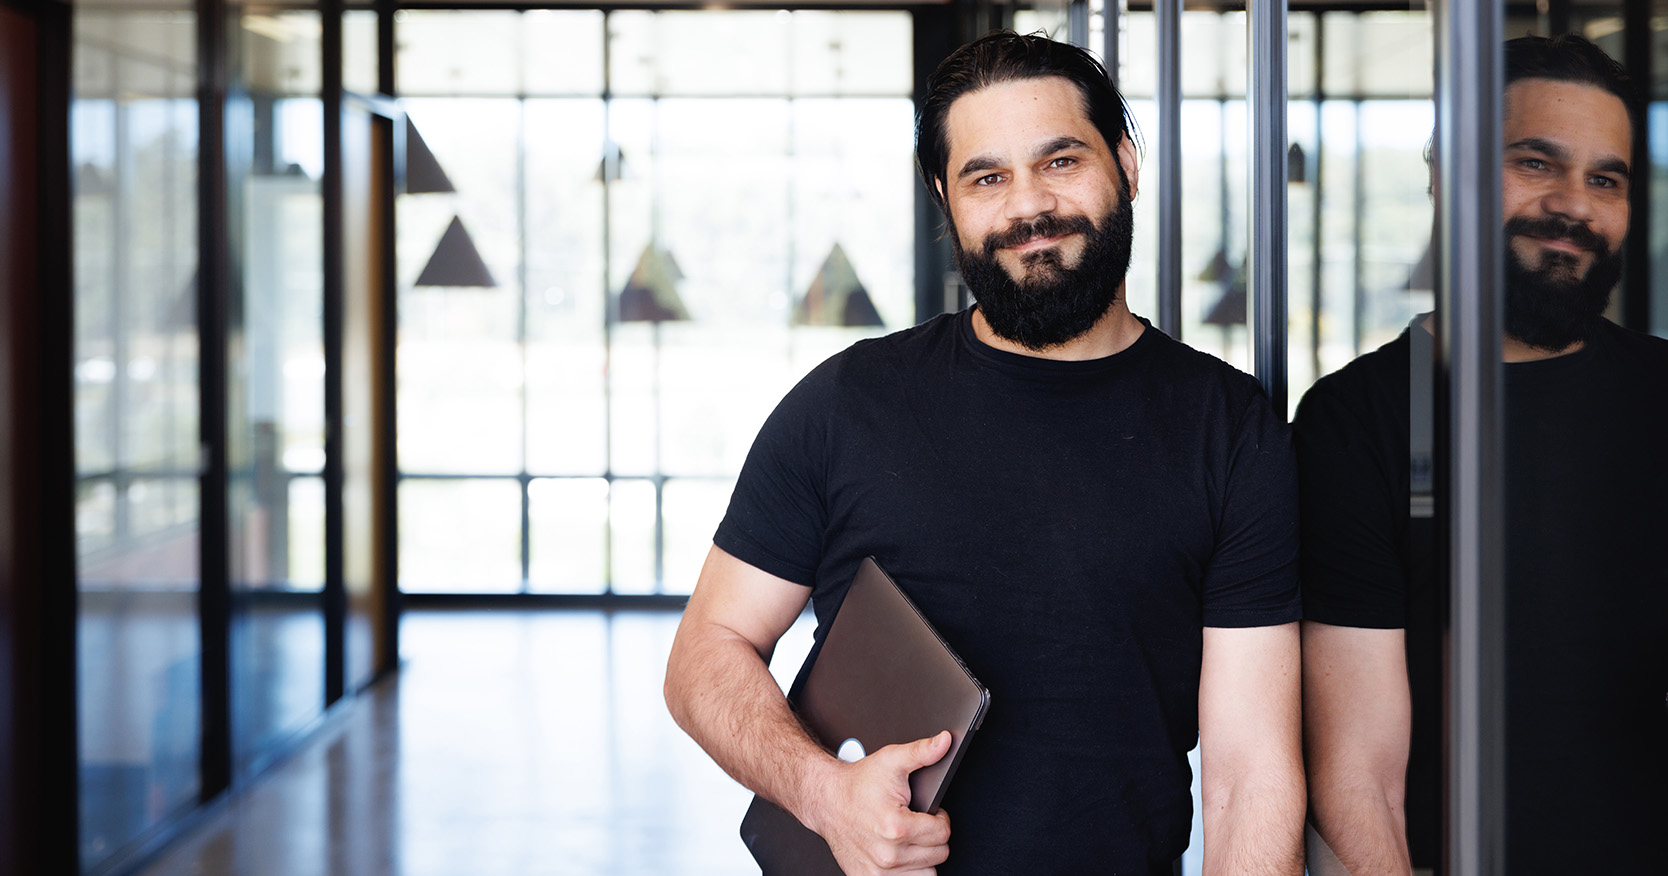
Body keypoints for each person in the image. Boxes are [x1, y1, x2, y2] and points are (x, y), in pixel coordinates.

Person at [663, 30, 1305, 876]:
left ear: (1126, 165)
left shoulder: (1229, 431)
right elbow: (705, 652)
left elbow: (1249, 771)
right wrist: (825, 794)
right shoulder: (847, 405)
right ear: (946, 197)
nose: (1028, 206)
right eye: (987, 177)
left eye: (1062, 161)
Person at [1296, 33, 1668, 876]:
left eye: (1604, 179)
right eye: (1536, 164)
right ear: (1444, 172)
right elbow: (1360, 770)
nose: (1575, 204)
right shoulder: (1356, 423)